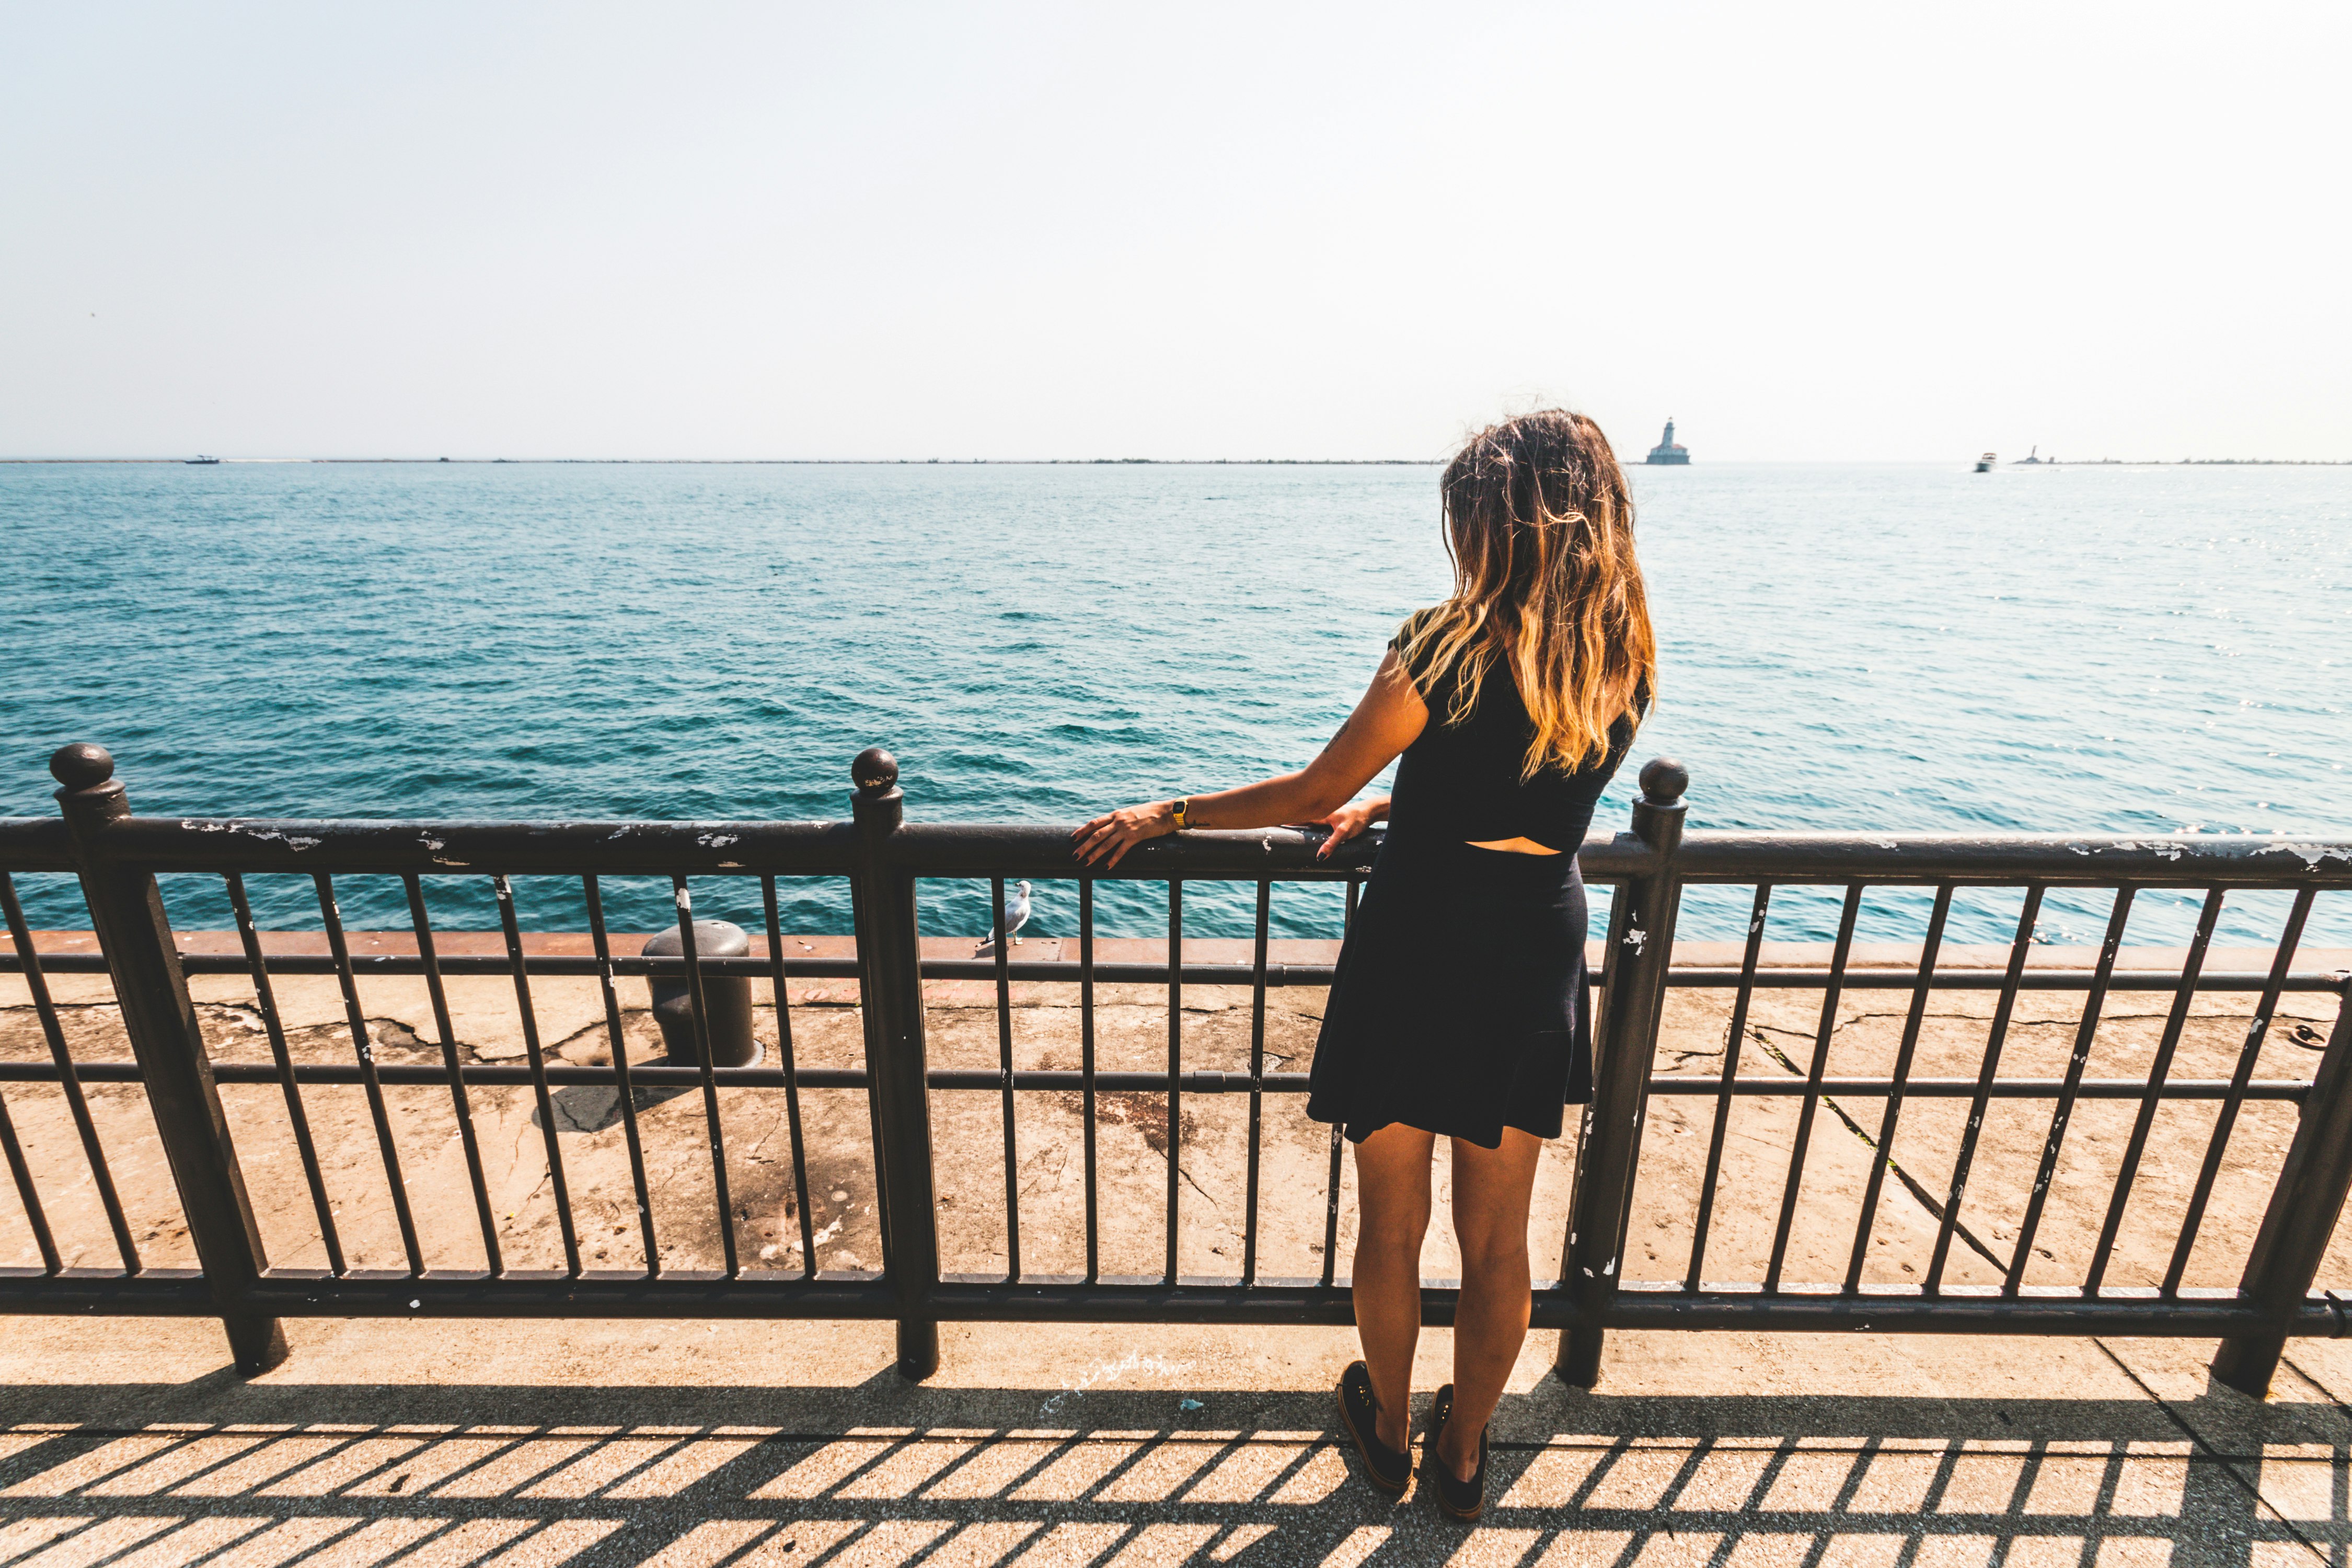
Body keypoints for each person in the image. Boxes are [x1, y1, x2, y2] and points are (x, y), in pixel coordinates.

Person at [1074, 409, 1657, 1521]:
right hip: (1536, 937)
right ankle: (1467, 1456)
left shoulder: (1441, 642)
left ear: (1501, 521)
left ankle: (1387, 1432)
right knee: (1499, 1244)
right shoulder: (1621, 651)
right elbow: (1537, 791)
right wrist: (1416, 793)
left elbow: (1308, 794)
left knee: (1392, 1222)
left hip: (1419, 939)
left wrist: (1169, 812)